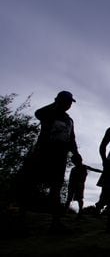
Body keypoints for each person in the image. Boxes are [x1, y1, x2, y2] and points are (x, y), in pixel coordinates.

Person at [19, 91, 82, 233]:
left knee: (56, 188)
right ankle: (21, 218)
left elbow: (71, 139)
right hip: (43, 154)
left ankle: (56, 222)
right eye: (66, 101)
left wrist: (76, 154)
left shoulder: (69, 120)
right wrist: (55, 104)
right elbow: (38, 113)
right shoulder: (48, 113)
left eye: (70, 102)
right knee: (31, 184)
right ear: (58, 100)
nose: (69, 104)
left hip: (60, 158)